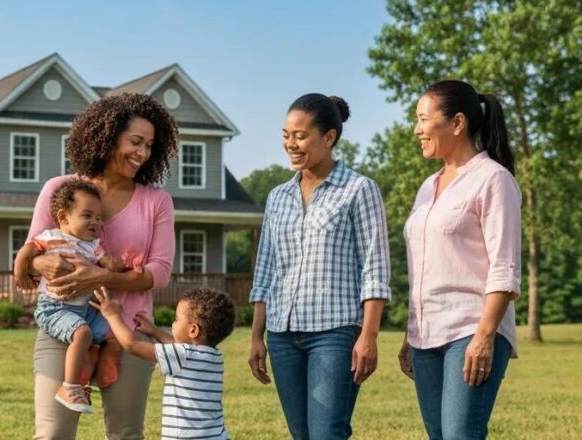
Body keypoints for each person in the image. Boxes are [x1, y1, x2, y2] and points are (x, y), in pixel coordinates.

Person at [26, 92, 178, 439]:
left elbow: (160, 271)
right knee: (52, 434)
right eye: (135, 141)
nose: (142, 153)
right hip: (62, 325)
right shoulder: (60, 190)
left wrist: (102, 276)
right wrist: (42, 263)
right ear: (107, 136)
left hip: (127, 331)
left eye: (150, 145)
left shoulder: (157, 201)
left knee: (126, 434)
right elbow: (32, 252)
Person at [247, 93, 391, 439]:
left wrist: (368, 336)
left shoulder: (358, 190)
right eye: (285, 135)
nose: (290, 144)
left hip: (336, 332)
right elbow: (266, 268)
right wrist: (256, 335)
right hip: (282, 335)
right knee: (302, 435)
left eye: (300, 136)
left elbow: (376, 269)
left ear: (329, 137)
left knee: (327, 433)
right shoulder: (278, 197)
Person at [398, 79, 521, 440]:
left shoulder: (493, 180)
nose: (417, 129)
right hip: (425, 335)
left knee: (460, 435)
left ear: (457, 123)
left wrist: (485, 336)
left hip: (470, 330)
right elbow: (424, 267)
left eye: (424, 119)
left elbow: (504, 267)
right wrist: (410, 334)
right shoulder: (427, 187)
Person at [14, 179, 138, 414]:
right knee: (83, 334)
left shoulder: (93, 246)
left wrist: (127, 264)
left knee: (113, 332)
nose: (95, 222)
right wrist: (20, 269)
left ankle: (95, 371)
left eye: (98, 218)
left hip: (87, 308)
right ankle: (70, 387)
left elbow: (109, 265)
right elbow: (26, 252)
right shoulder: (50, 237)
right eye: (87, 215)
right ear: (63, 217)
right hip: (56, 308)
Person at [92, 287, 235, 440]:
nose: (173, 323)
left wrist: (113, 316)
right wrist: (154, 331)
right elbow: (176, 345)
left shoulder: (182, 355)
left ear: (193, 330)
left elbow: (133, 346)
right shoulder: (214, 357)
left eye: (177, 319)